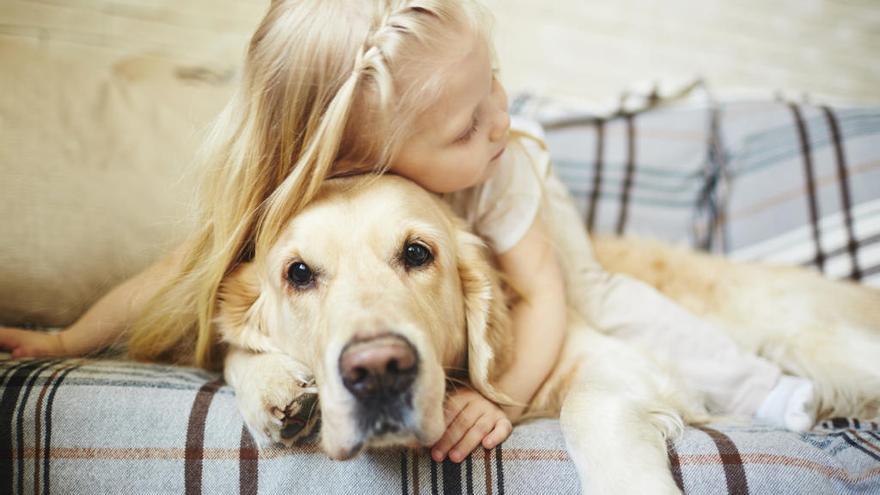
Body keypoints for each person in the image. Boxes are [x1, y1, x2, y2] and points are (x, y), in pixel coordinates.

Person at [0, 0, 814, 464]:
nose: (496, 121)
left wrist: (499, 395)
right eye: (302, 276)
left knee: (626, 307)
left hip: (555, 263)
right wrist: (67, 336)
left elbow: (542, 293)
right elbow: (181, 279)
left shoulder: (497, 174)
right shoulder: (274, 227)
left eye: (413, 253)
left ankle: (767, 389)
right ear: (380, 154)